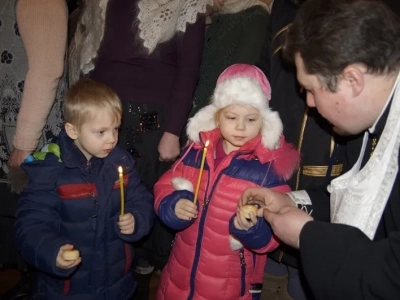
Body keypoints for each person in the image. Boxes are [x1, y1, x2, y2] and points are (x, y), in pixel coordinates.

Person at [240, 0, 400, 299]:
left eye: (312, 90)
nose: (309, 104)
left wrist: (306, 236)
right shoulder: (366, 126)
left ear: (352, 80)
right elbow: (347, 197)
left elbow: (391, 274)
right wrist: (288, 199)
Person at [69, 3, 205, 294]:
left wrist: (172, 130)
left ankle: (136, 270)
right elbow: (89, 60)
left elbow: (188, 70)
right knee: (98, 190)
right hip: (100, 114)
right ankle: (101, 260)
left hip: (151, 119)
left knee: (139, 195)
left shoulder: (186, 4)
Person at [154, 64, 300, 299]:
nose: (241, 127)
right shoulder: (197, 151)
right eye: (232, 117)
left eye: (251, 119)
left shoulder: (266, 171)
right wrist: (173, 204)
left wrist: (250, 228)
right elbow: (164, 184)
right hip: (178, 278)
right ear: (217, 117)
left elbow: (275, 232)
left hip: (229, 287)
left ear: (263, 121)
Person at [14, 79, 155, 299]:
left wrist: (137, 219)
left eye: (115, 129)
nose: (112, 139)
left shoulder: (121, 164)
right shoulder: (51, 171)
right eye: (101, 132)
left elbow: (142, 199)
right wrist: (52, 251)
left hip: (116, 285)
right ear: (73, 130)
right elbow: (30, 225)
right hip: (68, 289)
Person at [0, 0, 67, 298]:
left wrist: (25, 142)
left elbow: (47, 68)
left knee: (30, 215)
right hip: (13, 125)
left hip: (26, 130)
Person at [189, 0, 272, 118]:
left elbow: (239, 82)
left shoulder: (256, 17)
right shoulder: (213, 16)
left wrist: (207, 123)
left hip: (213, 122)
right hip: (192, 118)